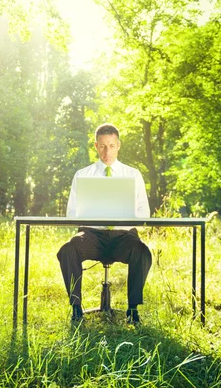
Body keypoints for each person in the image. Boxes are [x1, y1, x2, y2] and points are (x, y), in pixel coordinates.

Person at [57, 123, 152, 324]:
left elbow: (144, 212)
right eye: (102, 146)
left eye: (111, 145)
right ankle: (76, 308)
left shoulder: (133, 175)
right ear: (95, 146)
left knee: (142, 251)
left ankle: (133, 309)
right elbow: (71, 213)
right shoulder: (82, 175)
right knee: (68, 249)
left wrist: (123, 215)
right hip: (91, 236)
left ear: (118, 145)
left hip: (123, 236)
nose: (106, 151)